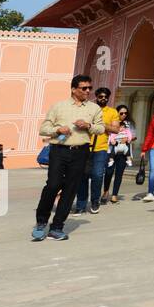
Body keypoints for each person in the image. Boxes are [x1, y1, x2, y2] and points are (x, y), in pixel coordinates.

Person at [32, 74, 104, 242]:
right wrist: (58, 130)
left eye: (89, 88)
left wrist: (89, 126)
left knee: (70, 189)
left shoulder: (93, 109)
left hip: (81, 152)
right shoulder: (59, 106)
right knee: (52, 185)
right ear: (73, 89)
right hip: (59, 150)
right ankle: (41, 222)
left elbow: (101, 129)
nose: (87, 91)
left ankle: (57, 228)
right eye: (84, 88)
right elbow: (44, 128)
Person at [75, 86, 118, 213]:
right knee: (82, 176)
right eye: (100, 97)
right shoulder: (89, 109)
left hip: (101, 148)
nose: (103, 99)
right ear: (96, 97)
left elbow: (116, 129)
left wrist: (100, 125)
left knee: (97, 175)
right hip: (84, 146)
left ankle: (95, 201)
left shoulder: (112, 112)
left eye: (106, 97)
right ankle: (81, 205)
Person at [104, 104, 136, 203]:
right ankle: (105, 191)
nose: (124, 115)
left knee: (119, 173)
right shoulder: (113, 122)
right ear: (117, 113)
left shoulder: (130, 124)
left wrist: (128, 138)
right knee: (109, 172)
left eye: (126, 113)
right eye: (121, 113)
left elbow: (134, 136)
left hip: (124, 151)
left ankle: (114, 195)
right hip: (112, 151)